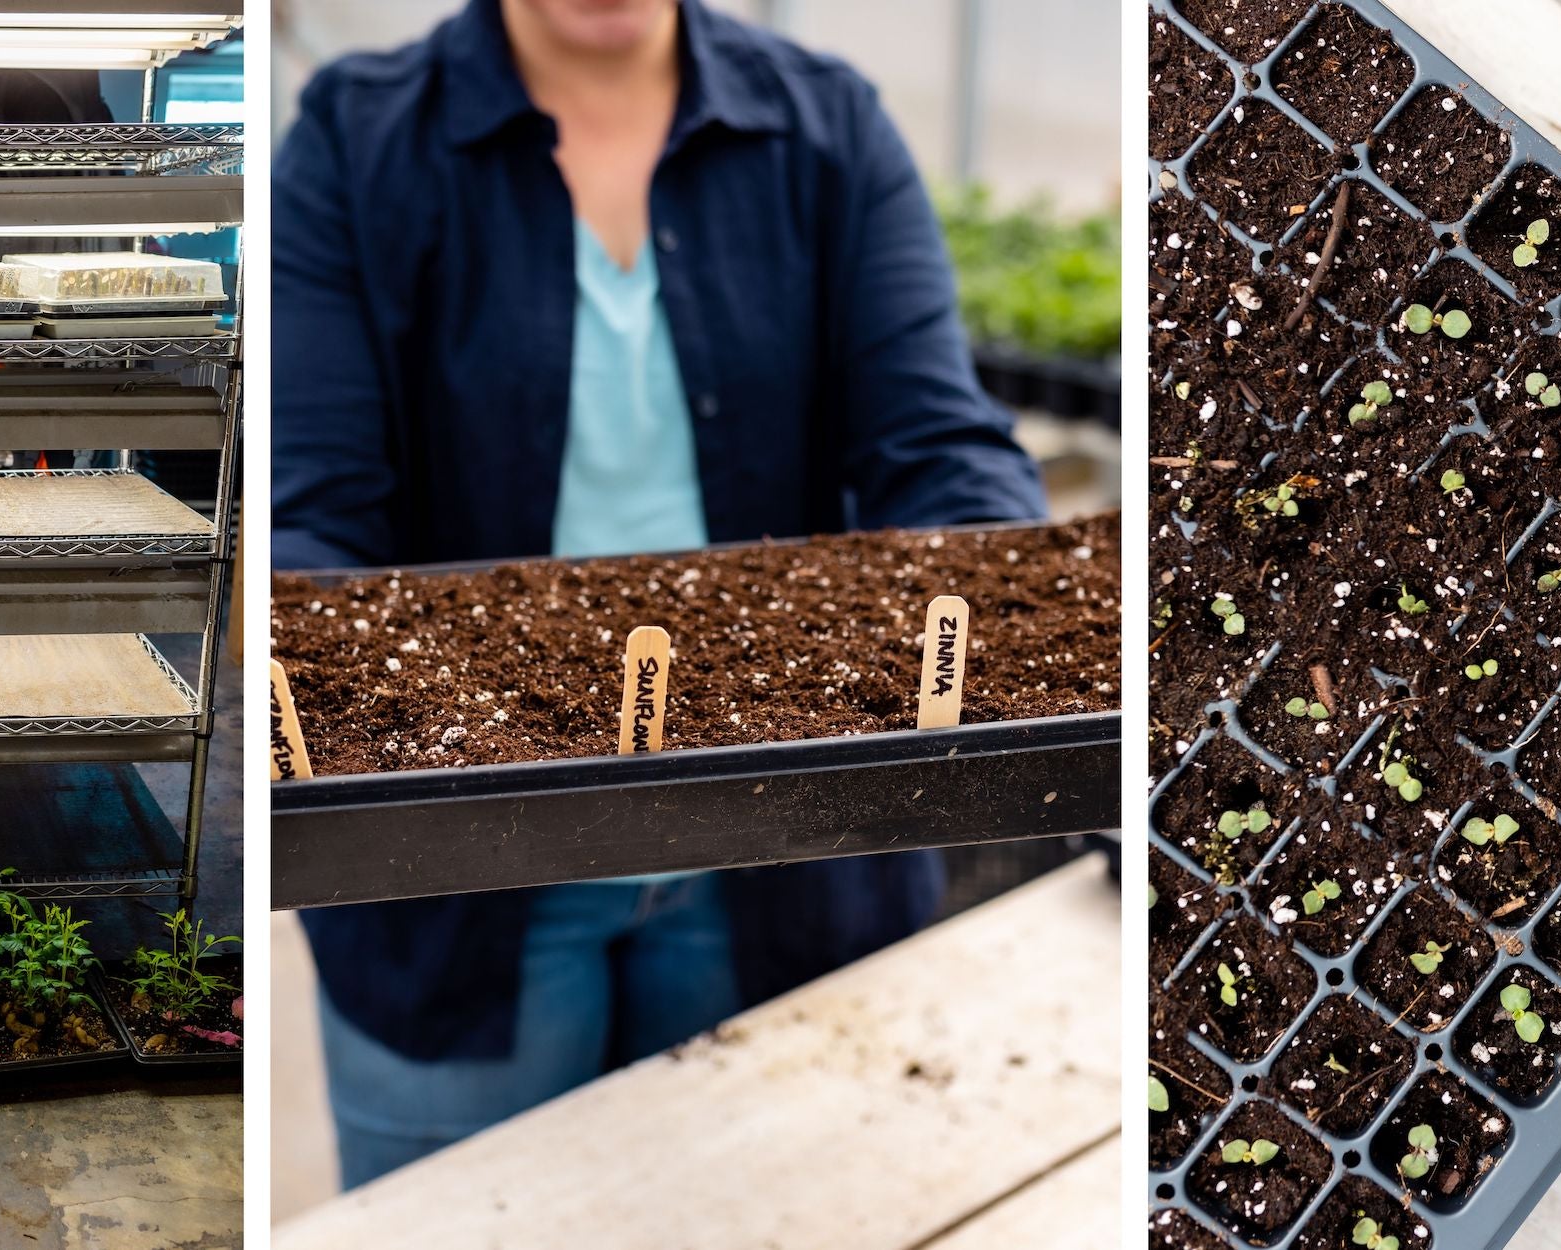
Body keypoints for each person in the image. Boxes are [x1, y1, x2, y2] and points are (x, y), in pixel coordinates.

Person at [271, 0, 1045, 1187]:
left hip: (784, 831)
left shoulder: (823, 124)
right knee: (475, 1208)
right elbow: (315, 502)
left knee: (774, 1192)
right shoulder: (359, 138)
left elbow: (939, 443)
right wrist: (353, 688)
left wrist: (1000, 598)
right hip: (464, 863)